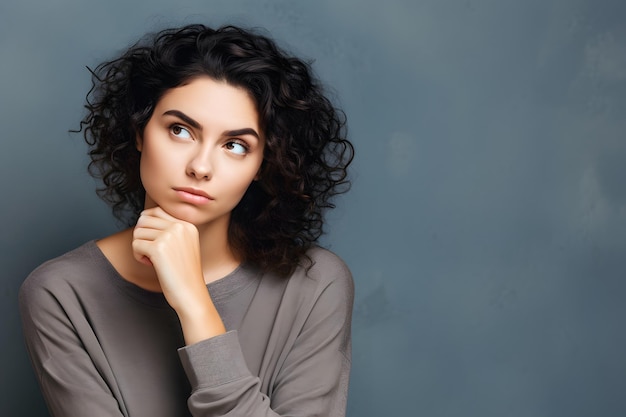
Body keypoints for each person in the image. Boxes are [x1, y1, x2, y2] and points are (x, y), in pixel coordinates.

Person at [19, 23, 354, 417]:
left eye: (234, 145)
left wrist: (194, 303)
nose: (200, 166)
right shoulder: (61, 294)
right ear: (140, 131)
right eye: (180, 130)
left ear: (264, 164)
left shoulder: (314, 285)